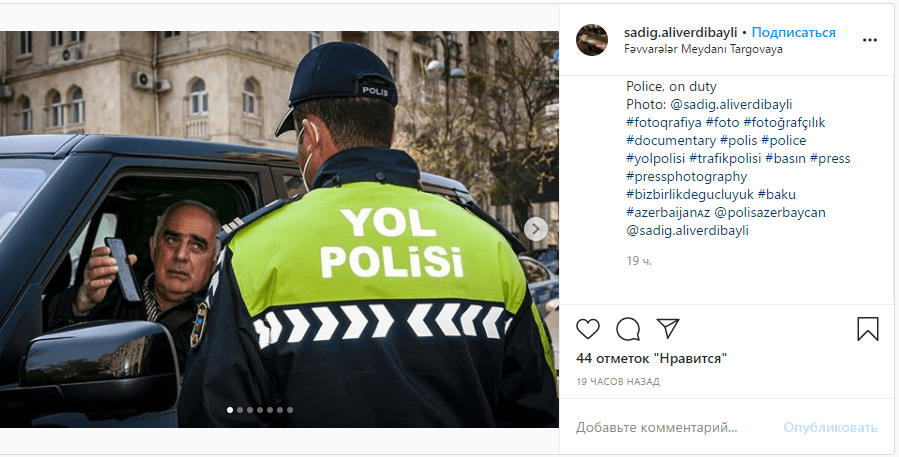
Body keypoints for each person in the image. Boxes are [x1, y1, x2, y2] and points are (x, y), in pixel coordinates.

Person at [177, 42, 557, 427]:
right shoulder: (489, 245)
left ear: (310, 134)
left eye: (298, 139)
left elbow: (214, 417)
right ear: (389, 132)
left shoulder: (253, 251)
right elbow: (537, 412)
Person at [47, 200, 221, 372]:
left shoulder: (219, 318)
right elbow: (51, 347)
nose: (181, 255)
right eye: (171, 240)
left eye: (197, 246)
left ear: (213, 263)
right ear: (153, 248)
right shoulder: (111, 291)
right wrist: (83, 303)